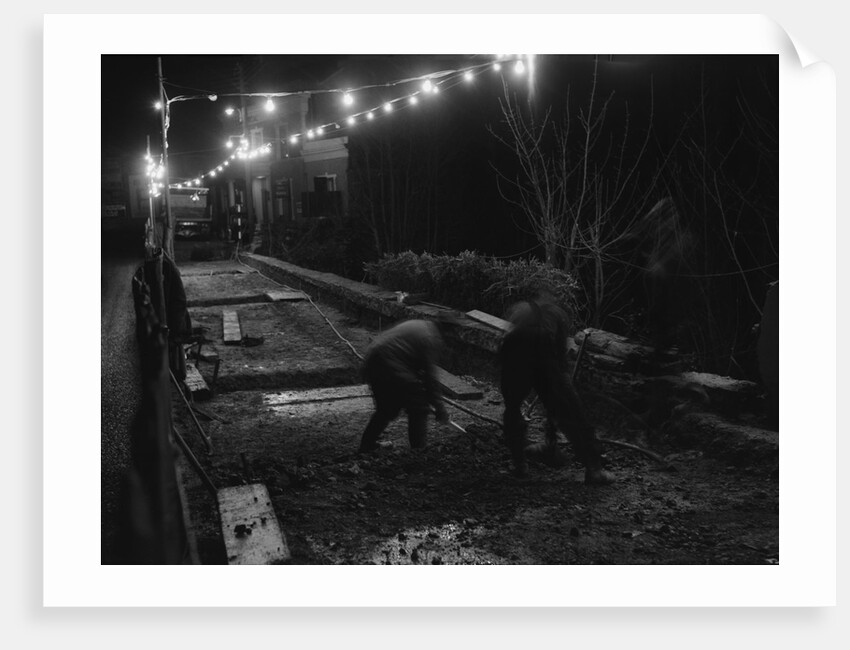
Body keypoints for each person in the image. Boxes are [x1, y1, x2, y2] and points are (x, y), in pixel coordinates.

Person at [499, 295, 614, 484]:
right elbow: (560, 385)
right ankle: (594, 469)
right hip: (532, 355)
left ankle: (520, 465)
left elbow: (506, 350)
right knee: (571, 409)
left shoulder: (521, 313)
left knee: (512, 410)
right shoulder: (557, 317)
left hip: (517, 355)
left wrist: (550, 438)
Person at [358, 318, 450, 453]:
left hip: (372, 360)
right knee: (419, 406)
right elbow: (430, 376)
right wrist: (439, 407)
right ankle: (419, 451)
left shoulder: (420, 325)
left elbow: (415, 365)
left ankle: (367, 446)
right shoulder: (430, 338)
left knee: (386, 409)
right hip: (390, 364)